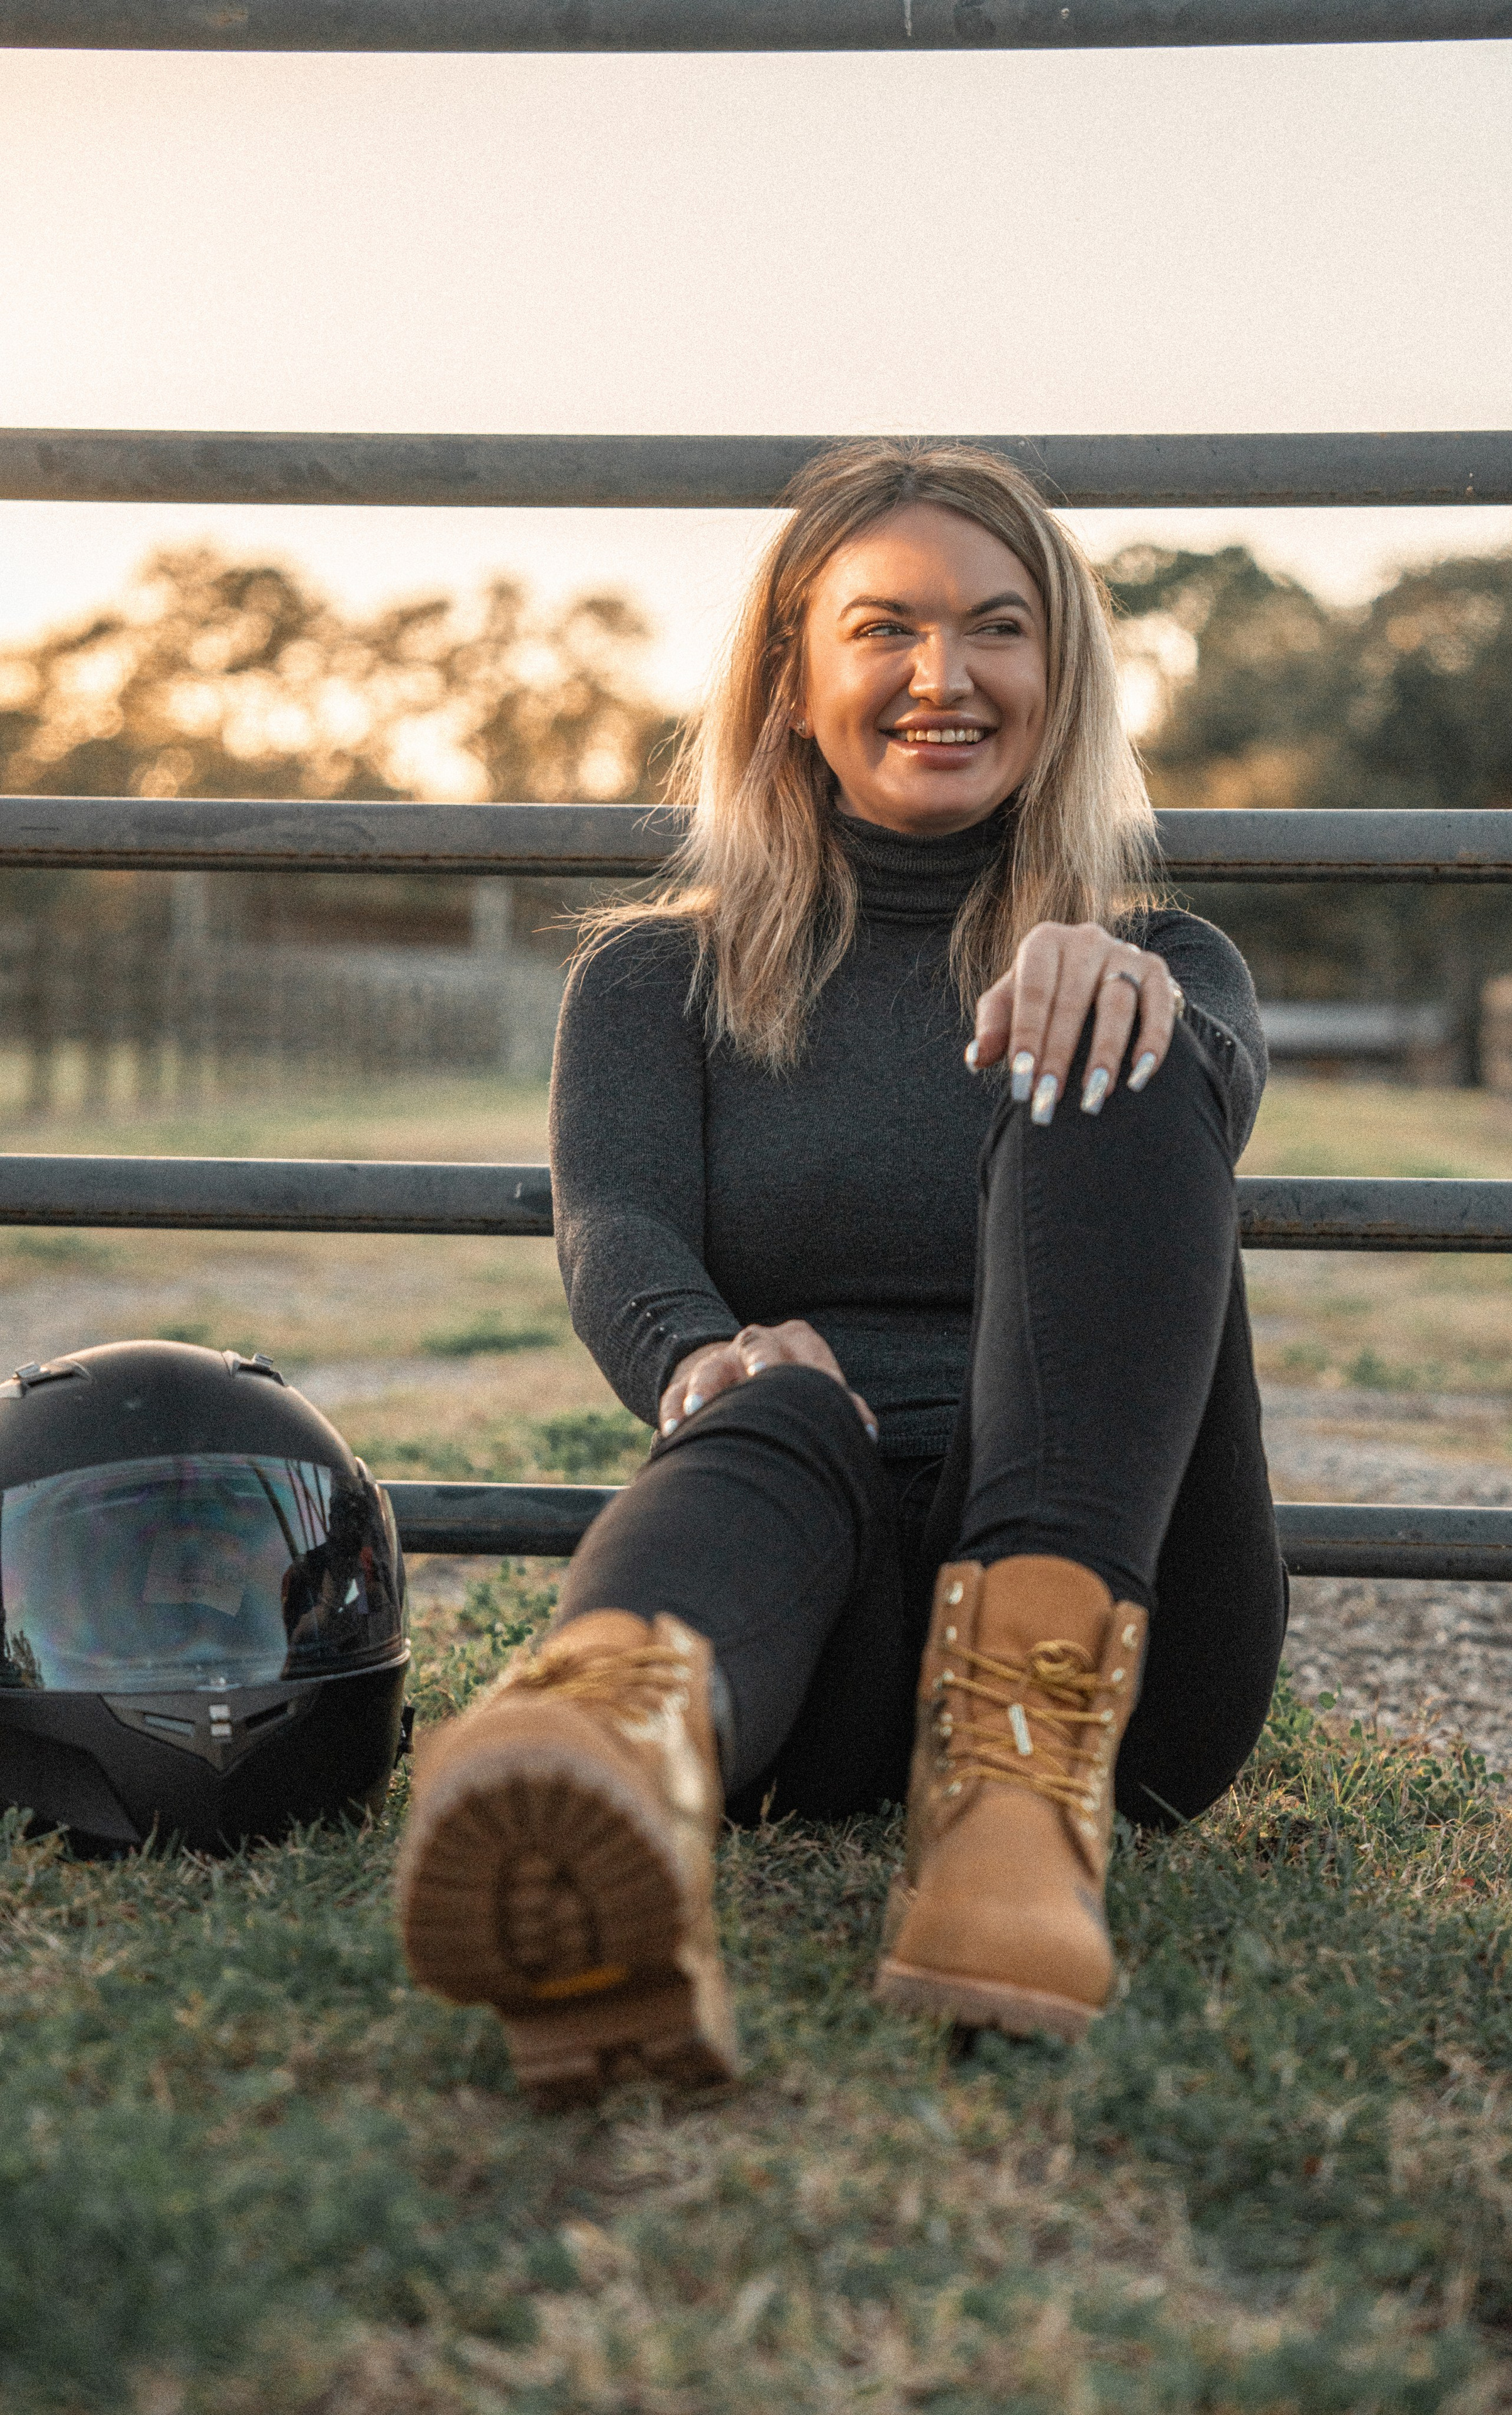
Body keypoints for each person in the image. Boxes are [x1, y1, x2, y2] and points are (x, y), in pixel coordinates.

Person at [397, 441, 1287, 2108]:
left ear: (1060, 675)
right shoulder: (655, 975)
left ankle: (1016, 1804)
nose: (943, 677)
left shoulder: (1166, 956)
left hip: (1130, 1661)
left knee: (1106, 1037)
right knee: (772, 1403)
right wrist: (700, 1360)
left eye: (997, 629)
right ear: (792, 675)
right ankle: (596, 1752)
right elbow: (616, 1227)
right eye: (886, 628)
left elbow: (1199, 1115)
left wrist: (1109, 983)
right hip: (811, 1634)